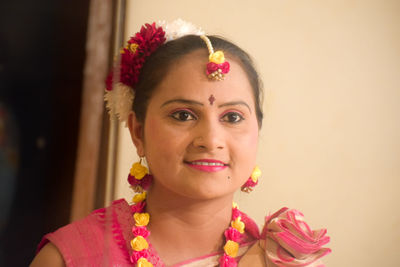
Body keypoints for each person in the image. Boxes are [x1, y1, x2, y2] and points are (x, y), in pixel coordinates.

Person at [31, 19, 330, 267]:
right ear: (138, 132)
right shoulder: (69, 259)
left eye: (233, 117)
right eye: (183, 115)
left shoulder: (276, 258)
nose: (211, 140)